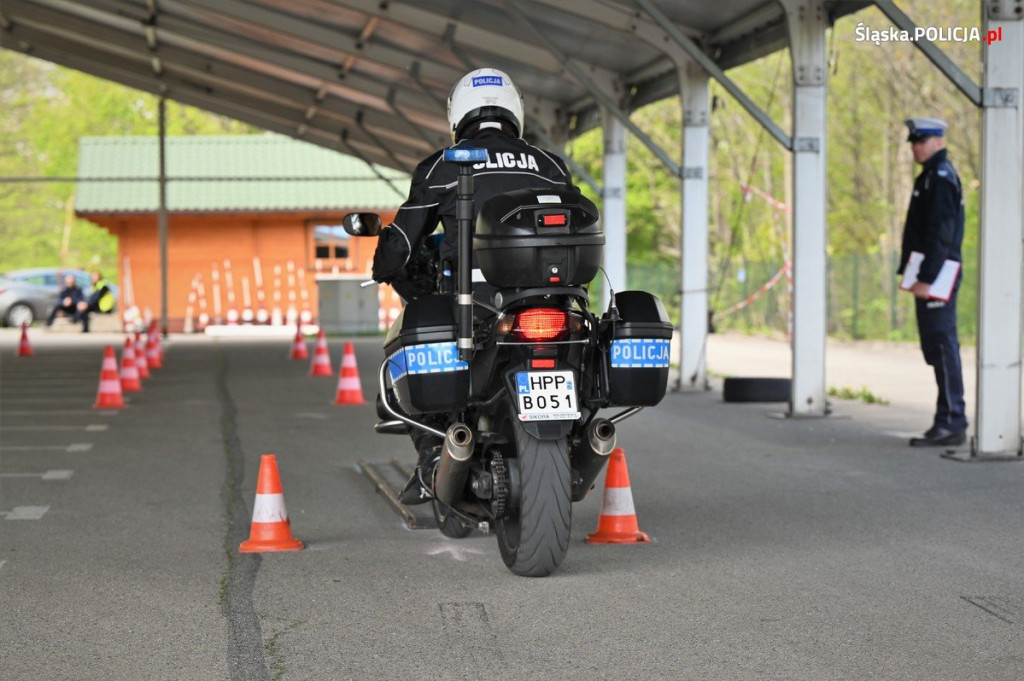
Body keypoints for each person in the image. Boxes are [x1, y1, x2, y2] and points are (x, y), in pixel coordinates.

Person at [370, 67, 577, 503]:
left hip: (479, 310)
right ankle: (587, 437)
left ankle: (431, 457)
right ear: (515, 111)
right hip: (557, 306)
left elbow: (403, 243)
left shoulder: (445, 166)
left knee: (419, 335)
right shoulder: (551, 165)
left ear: (457, 114)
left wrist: (385, 263)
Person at [898, 117, 967, 447]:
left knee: (942, 345)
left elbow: (941, 233)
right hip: (929, 274)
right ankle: (947, 417)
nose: (916, 146)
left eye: (922, 140)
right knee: (934, 348)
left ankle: (953, 420)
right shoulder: (929, 177)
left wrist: (926, 278)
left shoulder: (940, 178)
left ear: (939, 140)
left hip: (937, 276)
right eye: (913, 141)